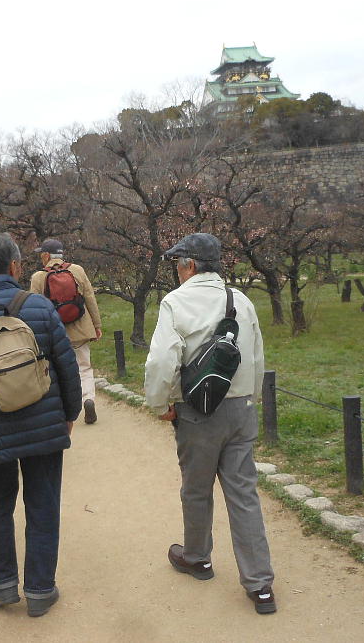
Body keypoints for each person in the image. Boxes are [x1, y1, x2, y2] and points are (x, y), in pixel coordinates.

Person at [0, 233, 82, 617]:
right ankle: (40, 591)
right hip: (44, 426)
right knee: (43, 505)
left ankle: (2, 585)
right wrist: (69, 415)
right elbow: (66, 365)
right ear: (15, 266)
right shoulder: (39, 306)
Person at [143, 232, 276, 615]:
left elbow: (162, 361)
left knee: (197, 489)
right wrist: (250, 398)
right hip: (240, 409)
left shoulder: (175, 301)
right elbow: (256, 356)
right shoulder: (241, 300)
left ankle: (198, 558)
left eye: (178, 263)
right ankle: (260, 585)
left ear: (189, 265)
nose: (176, 269)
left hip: (197, 413)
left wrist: (160, 404)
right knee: (244, 494)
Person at [29, 238, 103, 423]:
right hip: (80, 329)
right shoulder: (77, 270)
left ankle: (65, 410)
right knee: (84, 367)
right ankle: (88, 399)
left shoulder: (38, 277)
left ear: (46, 255)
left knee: (59, 371)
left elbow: (34, 309)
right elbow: (90, 298)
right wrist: (97, 325)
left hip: (55, 333)